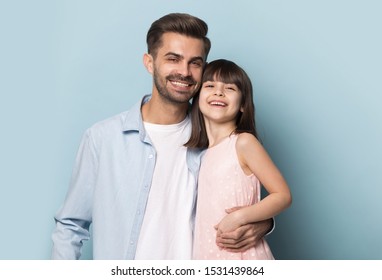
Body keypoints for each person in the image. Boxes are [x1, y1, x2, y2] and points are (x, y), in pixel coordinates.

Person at [51, 13, 273, 260]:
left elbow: (235, 194)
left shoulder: (216, 139)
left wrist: (263, 223)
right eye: (173, 59)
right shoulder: (102, 139)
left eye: (195, 63)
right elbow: (70, 226)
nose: (184, 72)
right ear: (149, 62)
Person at [186, 59, 292, 259]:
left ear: (243, 104)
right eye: (210, 86)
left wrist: (239, 217)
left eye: (229, 88)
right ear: (197, 98)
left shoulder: (243, 142)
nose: (218, 92)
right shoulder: (200, 154)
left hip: (242, 256)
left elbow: (283, 195)